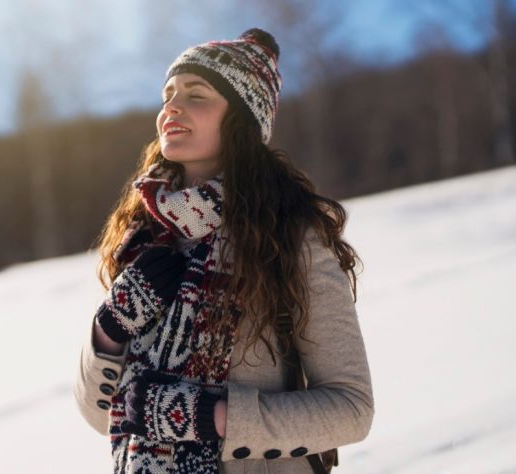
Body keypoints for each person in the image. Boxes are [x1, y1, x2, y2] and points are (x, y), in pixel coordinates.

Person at [73, 28, 374, 474]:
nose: (171, 108)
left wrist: (213, 417)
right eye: (167, 94)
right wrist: (110, 329)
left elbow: (352, 409)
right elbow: (104, 416)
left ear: (241, 120)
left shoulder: (286, 236)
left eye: (197, 94)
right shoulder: (144, 236)